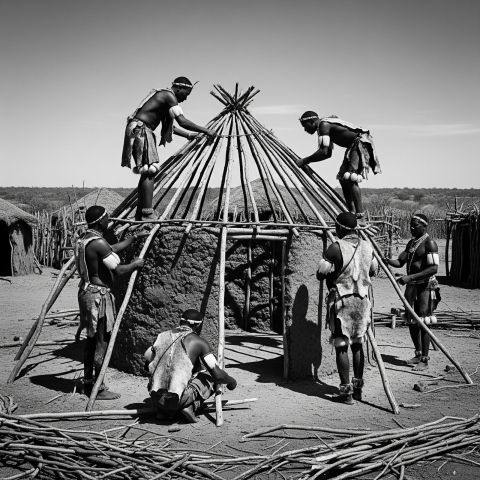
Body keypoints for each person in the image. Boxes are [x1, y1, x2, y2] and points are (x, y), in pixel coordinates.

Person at [121, 77, 216, 222]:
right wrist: (206, 130)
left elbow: (172, 127)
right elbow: (182, 121)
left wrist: (189, 135)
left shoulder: (164, 100)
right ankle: (147, 213)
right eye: (186, 94)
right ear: (178, 88)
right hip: (141, 130)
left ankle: (141, 213)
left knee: (146, 172)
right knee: (149, 171)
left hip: (137, 129)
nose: (185, 98)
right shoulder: (168, 95)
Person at [75, 205, 146, 400]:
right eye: (107, 218)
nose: (110, 221)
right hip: (98, 296)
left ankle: (88, 383)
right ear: (100, 221)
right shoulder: (98, 242)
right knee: (101, 342)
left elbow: (109, 250)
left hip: (86, 292)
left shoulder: (85, 238)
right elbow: (118, 270)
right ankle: (98, 388)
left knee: (90, 341)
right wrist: (135, 264)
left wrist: (132, 239)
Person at [317, 212, 378, 404]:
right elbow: (374, 270)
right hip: (362, 301)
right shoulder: (368, 247)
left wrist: (334, 275)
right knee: (358, 344)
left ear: (342, 228)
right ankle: (358, 390)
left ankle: (346, 393)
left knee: (341, 344)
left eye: (336, 226)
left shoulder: (336, 248)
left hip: (342, 300)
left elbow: (320, 274)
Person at [144, 308, 237, 423]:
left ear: (181, 322)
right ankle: (192, 407)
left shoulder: (161, 337)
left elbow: (147, 363)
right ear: (198, 326)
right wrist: (232, 381)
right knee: (209, 375)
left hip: (155, 397)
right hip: (178, 399)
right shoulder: (199, 341)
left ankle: (164, 411)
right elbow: (218, 375)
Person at [383, 213, 441, 371]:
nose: (411, 228)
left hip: (425, 286)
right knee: (411, 320)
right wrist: (386, 260)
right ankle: (418, 353)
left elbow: (433, 269)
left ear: (424, 226)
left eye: (415, 225)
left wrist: (410, 277)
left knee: (423, 321)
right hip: (412, 287)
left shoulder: (430, 244)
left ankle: (425, 359)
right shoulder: (411, 243)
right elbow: (400, 262)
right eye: (410, 225)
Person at [297, 112, 381, 219]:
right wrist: (306, 161)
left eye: (305, 126)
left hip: (360, 142)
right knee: (343, 178)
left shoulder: (324, 125)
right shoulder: (324, 127)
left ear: (312, 121)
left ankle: (359, 215)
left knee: (351, 177)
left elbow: (323, 152)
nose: (305, 130)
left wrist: (304, 161)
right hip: (353, 145)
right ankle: (351, 211)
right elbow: (327, 154)